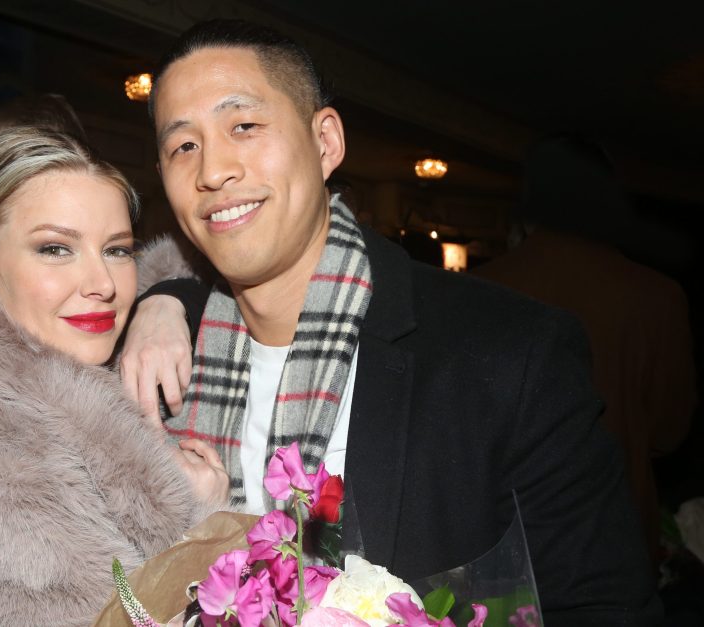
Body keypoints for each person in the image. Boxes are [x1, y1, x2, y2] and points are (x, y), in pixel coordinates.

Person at [119, 19, 660, 624]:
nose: (212, 171)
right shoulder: (157, 371)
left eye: (243, 126)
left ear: (326, 143)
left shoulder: (511, 355)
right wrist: (163, 298)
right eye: (183, 146)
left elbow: (604, 606)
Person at [0, 126, 228, 626]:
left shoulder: (84, 373)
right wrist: (202, 532)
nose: (102, 284)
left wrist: (166, 300)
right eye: (55, 249)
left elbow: (208, 262)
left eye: (117, 250)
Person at [471, 133, 699, 570]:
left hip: (504, 538)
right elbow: (670, 431)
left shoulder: (474, 289)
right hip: (616, 535)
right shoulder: (657, 296)